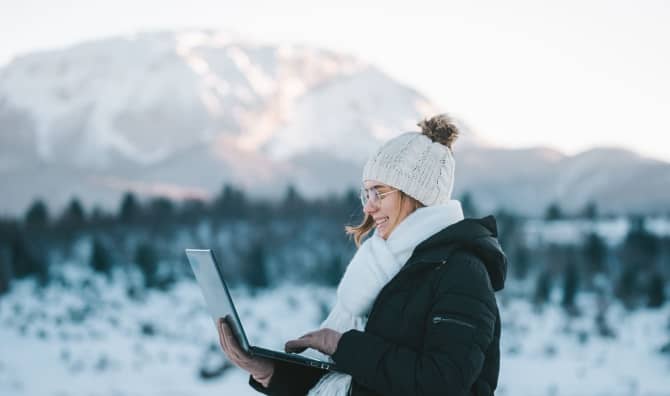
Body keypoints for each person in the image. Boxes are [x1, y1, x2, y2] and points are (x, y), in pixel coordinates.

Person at [217, 114, 508, 396]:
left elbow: (442, 381)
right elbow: (359, 381)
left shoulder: (461, 272)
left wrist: (343, 346)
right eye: (366, 194)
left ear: (416, 194)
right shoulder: (382, 266)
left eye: (379, 193)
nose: (369, 207)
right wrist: (269, 373)